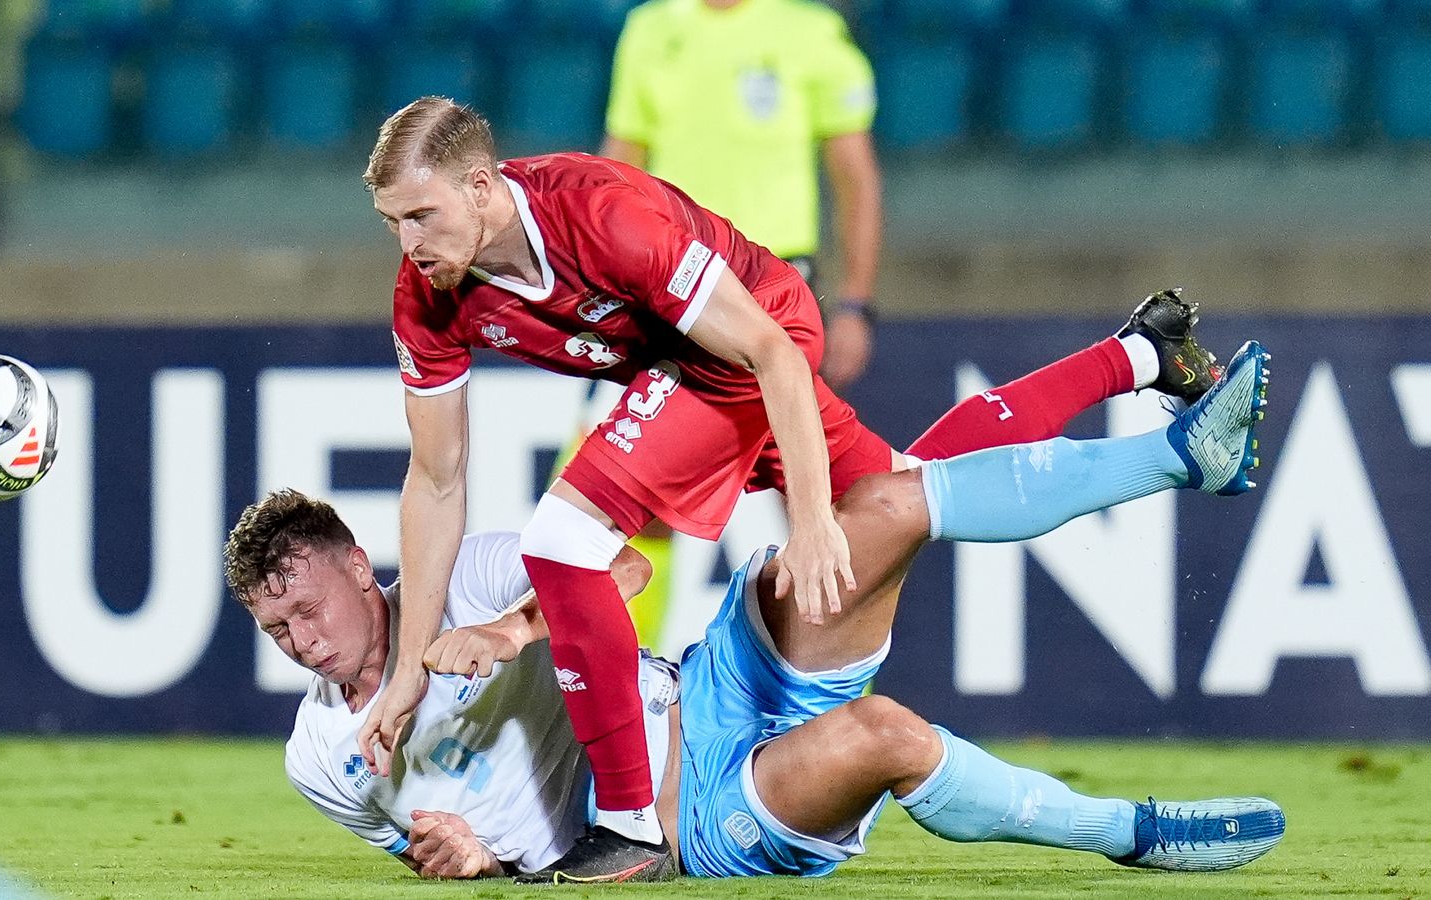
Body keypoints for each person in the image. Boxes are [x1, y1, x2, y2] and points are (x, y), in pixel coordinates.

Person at [359, 95, 1223, 879]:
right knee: (904, 494)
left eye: (421, 215)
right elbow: (437, 479)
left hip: (756, 340)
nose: (409, 243)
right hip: (676, 369)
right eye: (392, 221)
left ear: (481, 185)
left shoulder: (604, 216)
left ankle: (628, 827)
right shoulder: (425, 294)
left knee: (563, 540)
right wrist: (405, 671)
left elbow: (770, 349)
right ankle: (1146, 352)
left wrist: (808, 520)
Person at [229, 334, 1277, 882]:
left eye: (308, 611)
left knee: (886, 503)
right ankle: (1131, 835)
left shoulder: (470, 576)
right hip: (696, 825)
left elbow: (624, 578)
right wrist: (470, 864)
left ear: (362, 571)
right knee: (884, 735)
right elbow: (435, 857)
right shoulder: (318, 758)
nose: (300, 643)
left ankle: (1176, 446)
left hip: (713, 683)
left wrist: (510, 628)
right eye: (277, 632)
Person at [601, 0, 883, 392]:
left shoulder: (812, 32)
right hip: (672, 276)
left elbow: (855, 180)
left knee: (782, 445)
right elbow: (620, 167)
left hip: (775, 284)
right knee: (660, 444)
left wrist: (855, 305)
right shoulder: (648, 28)